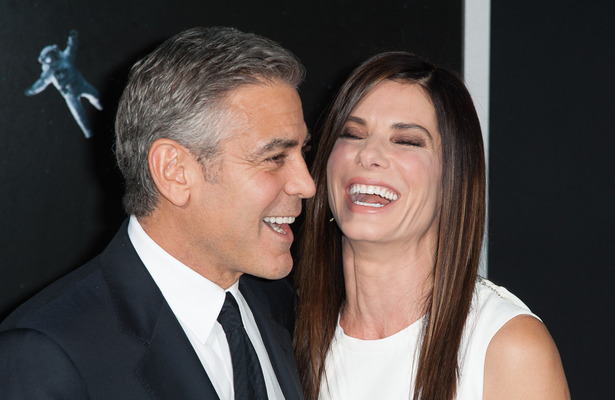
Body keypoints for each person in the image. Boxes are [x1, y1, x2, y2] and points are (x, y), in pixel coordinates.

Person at [0, 26, 314, 399]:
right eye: (274, 157)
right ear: (174, 172)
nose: (306, 185)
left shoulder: (281, 307)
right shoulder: (47, 356)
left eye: (302, 153)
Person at [293, 51, 570, 400]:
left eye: (406, 141)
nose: (368, 154)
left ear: (453, 177)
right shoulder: (280, 335)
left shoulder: (507, 348)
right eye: (351, 133)